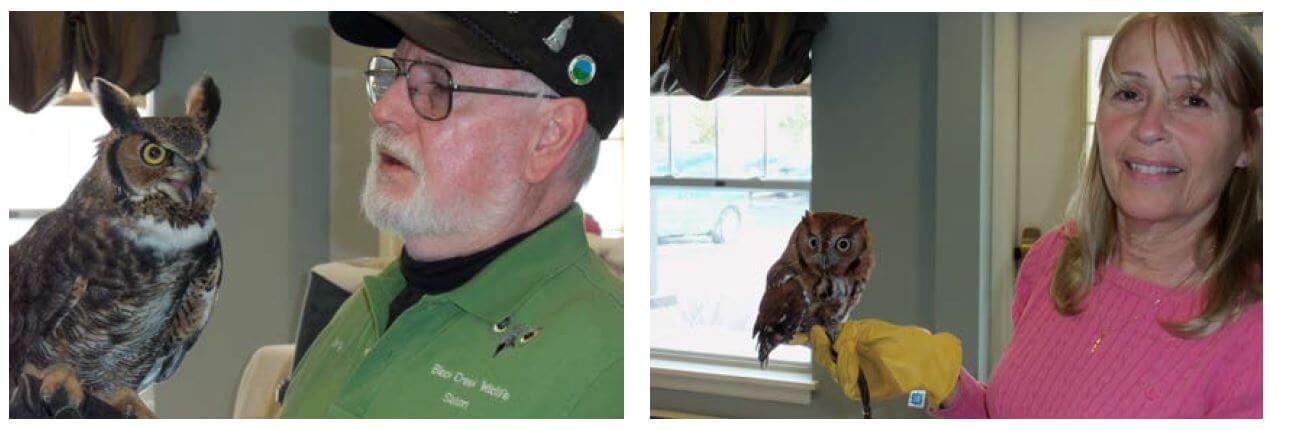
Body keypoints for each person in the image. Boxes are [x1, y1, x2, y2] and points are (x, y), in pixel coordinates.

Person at [810, 12, 1261, 418]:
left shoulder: (1262, 336)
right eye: (1129, 93)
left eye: (1193, 100)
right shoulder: (1057, 260)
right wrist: (941, 386)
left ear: (1249, 139)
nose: (1148, 127)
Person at [278, 12, 624, 418]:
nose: (384, 109)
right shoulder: (370, 303)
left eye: (437, 87)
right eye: (396, 74)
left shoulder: (608, 367)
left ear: (549, 137)